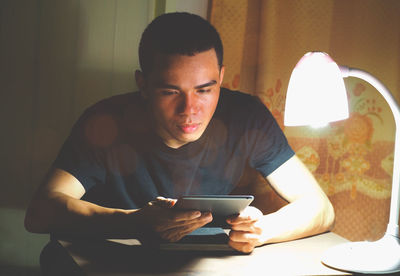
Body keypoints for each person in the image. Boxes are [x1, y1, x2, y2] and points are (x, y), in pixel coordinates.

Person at [25, 12, 334, 254]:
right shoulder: (106, 121)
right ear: (143, 85)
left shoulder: (245, 115)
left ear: (221, 77)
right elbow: (41, 212)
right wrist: (134, 222)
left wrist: (263, 230)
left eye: (205, 89)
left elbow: (320, 208)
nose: (190, 108)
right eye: (170, 91)